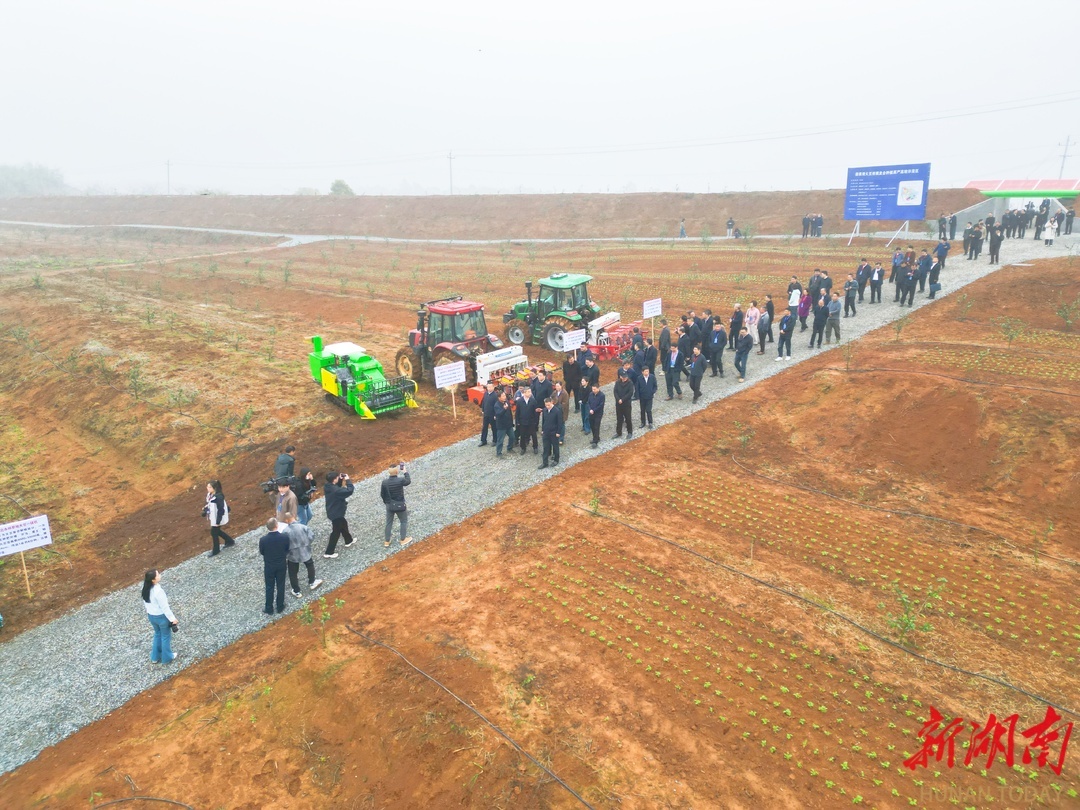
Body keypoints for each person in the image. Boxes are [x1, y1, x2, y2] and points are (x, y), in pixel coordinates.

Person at [141, 569, 177, 664]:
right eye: (158, 575)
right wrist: (173, 619)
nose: (160, 575)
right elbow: (165, 607)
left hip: (151, 616)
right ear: (153, 580)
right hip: (161, 617)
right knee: (165, 636)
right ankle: (167, 657)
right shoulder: (158, 591)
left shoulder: (145, 589)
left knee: (157, 634)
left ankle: (155, 657)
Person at [282, 511, 322, 597]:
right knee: (310, 565)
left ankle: (297, 591)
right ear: (294, 517)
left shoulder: (285, 531)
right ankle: (312, 582)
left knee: (293, 573)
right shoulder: (303, 527)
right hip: (305, 551)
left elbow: (283, 544)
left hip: (292, 555)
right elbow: (311, 537)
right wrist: (306, 544)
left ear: (286, 520)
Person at [259, 518, 290, 615]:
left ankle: (269, 608)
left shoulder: (263, 540)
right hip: (281, 565)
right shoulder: (284, 537)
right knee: (281, 585)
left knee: (269, 587)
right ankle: (280, 606)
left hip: (269, 566)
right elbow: (287, 549)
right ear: (277, 526)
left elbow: (262, 552)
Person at [380, 463, 412, 548]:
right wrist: (405, 471)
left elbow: (382, 494)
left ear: (389, 472)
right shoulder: (400, 480)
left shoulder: (384, 482)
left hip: (389, 505)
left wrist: (387, 503)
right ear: (397, 472)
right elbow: (408, 481)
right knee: (403, 521)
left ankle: (387, 541)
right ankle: (403, 539)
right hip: (400, 505)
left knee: (388, 523)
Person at [322, 472, 354, 558]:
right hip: (337, 513)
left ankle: (348, 540)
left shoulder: (327, 486)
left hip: (333, 511)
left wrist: (340, 480)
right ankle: (329, 552)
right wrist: (348, 480)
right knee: (336, 532)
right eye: (337, 477)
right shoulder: (336, 490)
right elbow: (349, 491)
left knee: (343, 524)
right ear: (334, 479)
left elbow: (337, 488)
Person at [203, 480, 234, 557]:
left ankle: (216, 550)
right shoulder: (211, 495)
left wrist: (218, 521)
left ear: (214, 488)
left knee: (214, 532)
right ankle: (229, 541)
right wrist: (206, 509)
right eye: (207, 486)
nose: (207, 488)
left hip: (218, 517)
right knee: (216, 531)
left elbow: (221, 509)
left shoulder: (218, 497)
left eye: (209, 487)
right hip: (214, 516)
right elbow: (210, 504)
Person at [538, 396, 565, 468]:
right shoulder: (544, 410)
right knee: (545, 447)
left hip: (554, 432)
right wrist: (543, 430)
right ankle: (545, 462)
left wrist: (558, 432)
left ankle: (556, 460)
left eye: (548, 405)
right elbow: (543, 421)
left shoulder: (557, 411)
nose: (547, 406)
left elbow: (560, 423)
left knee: (555, 447)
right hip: (546, 432)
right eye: (546, 405)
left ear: (552, 403)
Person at [515, 384, 540, 455]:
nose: (530, 393)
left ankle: (535, 447)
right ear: (524, 393)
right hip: (522, 421)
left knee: (534, 435)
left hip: (531, 421)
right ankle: (523, 448)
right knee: (522, 435)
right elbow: (517, 412)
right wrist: (517, 422)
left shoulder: (533, 400)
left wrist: (536, 421)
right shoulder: (520, 401)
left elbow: (535, 412)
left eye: (530, 391)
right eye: (528, 392)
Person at [579, 356, 599, 433]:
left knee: (587, 414)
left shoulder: (595, 369)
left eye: (587, 362)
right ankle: (584, 426)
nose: (586, 364)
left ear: (591, 361)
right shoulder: (589, 368)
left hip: (590, 390)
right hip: (584, 399)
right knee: (583, 414)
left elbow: (595, 380)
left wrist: (593, 388)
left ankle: (588, 428)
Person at [613, 369, 635, 439]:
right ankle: (618, 432)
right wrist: (618, 399)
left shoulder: (630, 383)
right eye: (623, 377)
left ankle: (630, 432)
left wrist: (622, 400)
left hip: (626, 404)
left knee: (628, 419)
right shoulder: (617, 383)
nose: (625, 378)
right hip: (618, 404)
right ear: (620, 377)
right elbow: (615, 391)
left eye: (626, 377)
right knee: (619, 419)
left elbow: (630, 393)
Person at [494, 390, 516, 457]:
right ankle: (498, 453)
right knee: (500, 440)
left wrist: (512, 422)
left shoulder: (507, 402)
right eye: (503, 396)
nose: (505, 397)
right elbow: (498, 414)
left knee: (512, 437)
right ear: (499, 398)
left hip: (509, 425)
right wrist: (504, 409)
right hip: (501, 426)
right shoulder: (497, 405)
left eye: (505, 395)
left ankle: (509, 448)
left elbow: (510, 413)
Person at [478, 381, 498, 446]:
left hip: (492, 415)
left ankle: (495, 440)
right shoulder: (486, 393)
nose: (489, 388)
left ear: (493, 387)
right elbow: (484, 402)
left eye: (490, 387)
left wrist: (495, 415)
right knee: (484, 428)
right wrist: (483, 410)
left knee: (494, 428)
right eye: (488, 387)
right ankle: (483, 440)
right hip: (486, 414)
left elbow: (496, 406)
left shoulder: (495, 395)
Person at [587, 382, 605, 448]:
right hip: (591, 413)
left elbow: (601, 405)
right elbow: (588, 402)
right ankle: (596, 437)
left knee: (596, 426)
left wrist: (594, 410)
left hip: (598, 414)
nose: (593, 390)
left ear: (598, 389)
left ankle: (595, 441)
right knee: (592, 426)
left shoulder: (602, 395)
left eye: (594, 389)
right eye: (592, 389)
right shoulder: (591, 394)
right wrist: (590, 409)